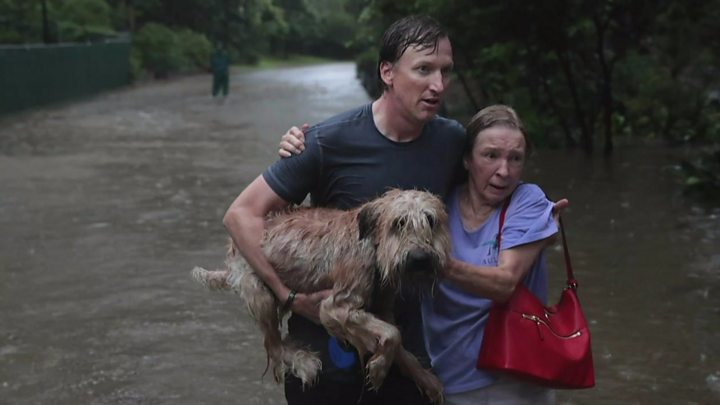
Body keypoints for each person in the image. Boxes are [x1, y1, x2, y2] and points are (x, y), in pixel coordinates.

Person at [223, 15, 463, 405]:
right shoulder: (324, 141)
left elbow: (493, 181)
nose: (438, 85)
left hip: (402, 349)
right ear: (387, 72)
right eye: (423, 69)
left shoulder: (451, 141)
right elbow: (240, 216)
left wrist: (535, 210)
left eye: (444, 71)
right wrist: (287, 298)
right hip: (325, 352)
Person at [421, 105, 558, 405]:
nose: (504, 171)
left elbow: (504, 284)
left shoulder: (528, 201)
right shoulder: (437, 205)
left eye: (515, 158)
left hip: (513, 377)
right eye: (491, 155)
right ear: (467, 159)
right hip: (447, 375)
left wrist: (430, 262)